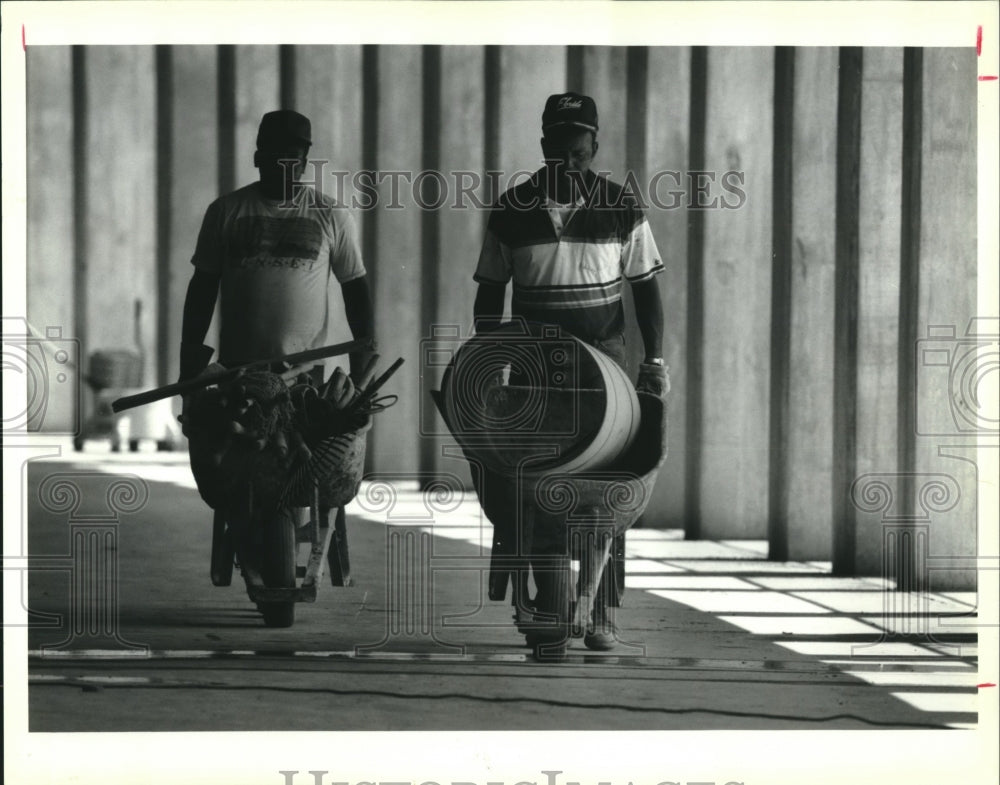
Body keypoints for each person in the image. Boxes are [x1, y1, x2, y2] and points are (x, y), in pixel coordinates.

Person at [472, 92, 668, 653]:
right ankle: (540, 592)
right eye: (559, 152)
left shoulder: (621, 207)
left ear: (595, 149)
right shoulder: (511, 210)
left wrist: (653, 363)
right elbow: (490, 296)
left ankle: (603, 611)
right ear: (543, 148)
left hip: (605, 377)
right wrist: (489, 365)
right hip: (537, 380)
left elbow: (647, 290)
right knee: (531, 485)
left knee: (612, 486)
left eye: (580, 153)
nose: (569, 164)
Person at [179, 109, 374, 384]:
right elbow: (202, 288)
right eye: (274, 157)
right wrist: (189, 366)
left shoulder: (331, 215)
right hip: (237, 371)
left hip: (304, 373)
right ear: (258, 159)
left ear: (305, 163)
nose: (284, 167)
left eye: (292, 159)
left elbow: (355, 291)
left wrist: (361, 373)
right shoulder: (225, 211)